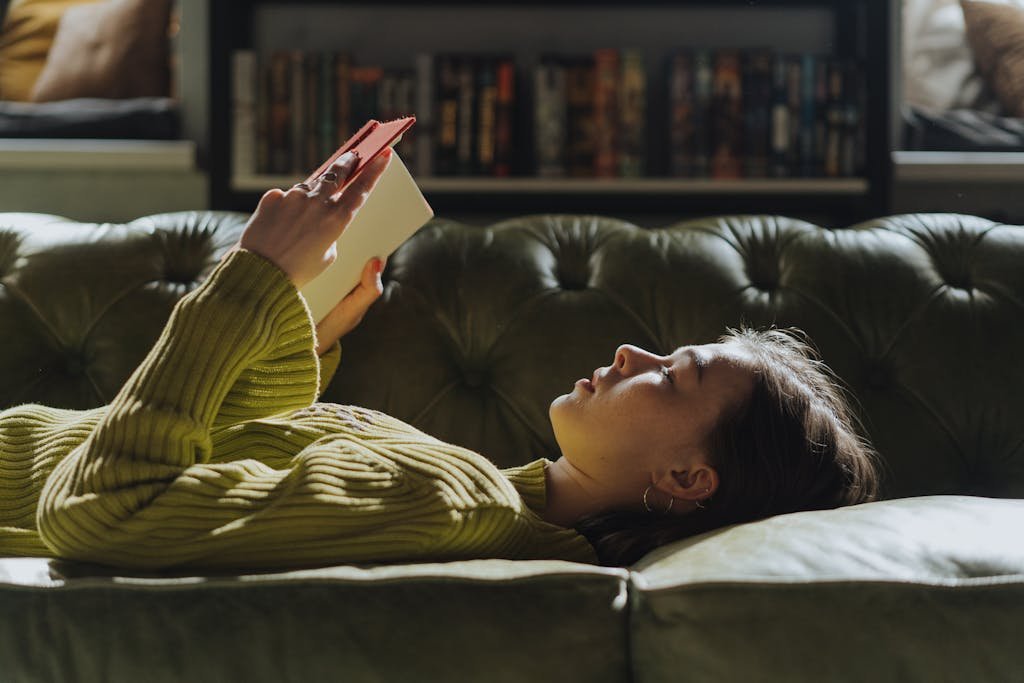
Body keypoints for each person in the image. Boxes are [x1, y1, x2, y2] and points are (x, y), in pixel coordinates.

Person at [0, 148, 881, 570]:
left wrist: (249, 281)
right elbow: (214, 462)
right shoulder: (479, 486)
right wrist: (295, 334)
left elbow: (101, 507)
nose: (628, 349)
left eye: (671, 373)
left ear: (690, 479)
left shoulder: (450, 502)